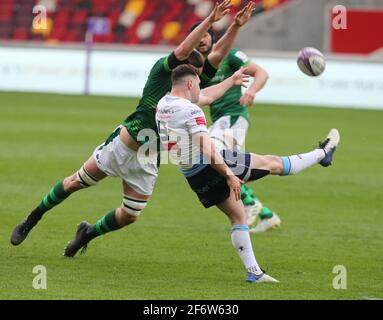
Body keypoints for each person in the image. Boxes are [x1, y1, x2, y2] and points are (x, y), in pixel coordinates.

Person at [10, 1, 258, 254]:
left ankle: (87, 233)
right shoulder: (162, 72)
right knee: (75, 182)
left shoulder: (190, 88)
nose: (197, 79)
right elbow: (184, 49)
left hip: (148, 158)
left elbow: (212, 74)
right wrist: (210, 20)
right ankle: (34, 216)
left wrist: (235, 28)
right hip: (122, 147)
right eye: (195, 73)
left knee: (129, 215)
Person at [155, 65, 340, 282]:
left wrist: (232, 80)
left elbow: (205, 96)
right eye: (197, 84)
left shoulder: (164, 104)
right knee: (273, 163)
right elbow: (207, 149)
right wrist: (229, 175)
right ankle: (322, 153)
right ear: (189, 84)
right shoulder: (191, 111)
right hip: (210, 163)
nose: (199, 89)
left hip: (192, 174)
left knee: (238, 215)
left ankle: (254, 272)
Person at [191, 22, 280, 232]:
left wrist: (252, 91)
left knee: (212, 157)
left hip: (233, 117)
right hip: (219, 121)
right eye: (198, 36)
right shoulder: (196, 65)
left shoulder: (231, 55)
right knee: (224, 164)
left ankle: (251, 204)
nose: (202, 40)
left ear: (213, 37)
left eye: (206, 35)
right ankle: (266, 215)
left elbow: (261, 73)